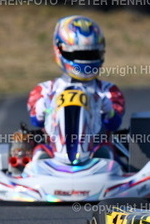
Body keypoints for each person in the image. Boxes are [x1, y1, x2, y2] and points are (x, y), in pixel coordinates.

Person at [23, 15, 124, 163]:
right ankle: (40, 169)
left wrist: (108, 111)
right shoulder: (44, 90)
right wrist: (44, 110)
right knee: (37, 151)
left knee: (107, 151)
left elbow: (114, 123)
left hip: (95, 153)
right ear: (60, 51)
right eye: (77, 54)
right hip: (53, 153)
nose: (84, 60)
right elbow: (36, 122)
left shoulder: (109, 91)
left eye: (90, 54)